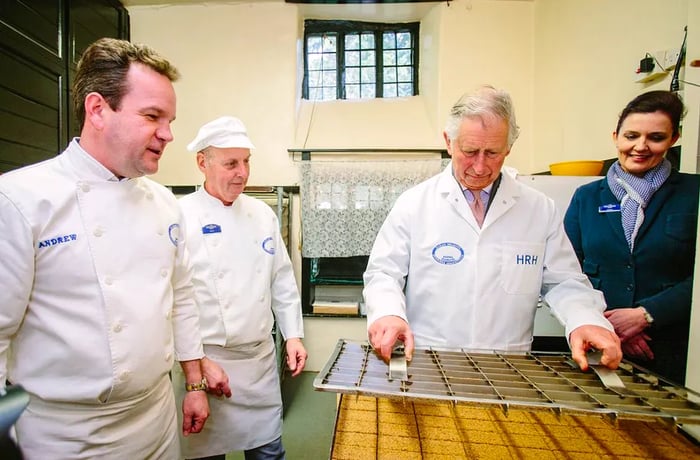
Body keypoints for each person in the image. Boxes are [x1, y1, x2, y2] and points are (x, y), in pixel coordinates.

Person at [0, 37, 230, 459]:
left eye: (170, 119)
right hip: (63, 436)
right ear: (98, 110)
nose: (168, 134)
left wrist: (194, 384)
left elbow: (181, 300)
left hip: (155, 420)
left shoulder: (164, 204)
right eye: (152, 116)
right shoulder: (20, 200)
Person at [363, 85, 622, 371]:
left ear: (509, 147)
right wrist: (387, 314)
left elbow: (564, 281)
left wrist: (587, 320)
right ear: (449, 141)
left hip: (508, 365)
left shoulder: (538, 208)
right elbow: (384, 273)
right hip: (429, 360)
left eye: (493, 153)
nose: (480, 165)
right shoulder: (414, 203)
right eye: (470, 151)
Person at [176, 115, 307, 460]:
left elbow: (281, 277)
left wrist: (293, 334)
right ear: (202, 163)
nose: (243, 173)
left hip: (259, 362)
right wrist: (196, 367)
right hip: (206, 362)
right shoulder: (180, 215)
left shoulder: (263, 214)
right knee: (206, 454)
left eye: (246, 161)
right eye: (231, 163)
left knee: (268, 452)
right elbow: (173, 301)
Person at [564, 90, 699, 384]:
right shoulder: (586, 198)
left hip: (671, 350)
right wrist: (606, 325)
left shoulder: (693, 194)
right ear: (616, 136)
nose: (641, 146)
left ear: (673, 139)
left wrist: (646, 315)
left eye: (656, 137)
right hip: (598, 345)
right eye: (631, 136)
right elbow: (567, 271)